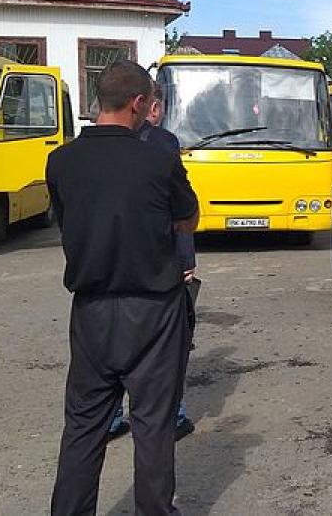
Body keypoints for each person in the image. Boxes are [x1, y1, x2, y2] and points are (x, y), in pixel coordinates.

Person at [47, 60, 199, 515]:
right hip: (153, 309)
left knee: (84, 425)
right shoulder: (158, 158)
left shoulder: (61, 161)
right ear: (138, 103)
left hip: (91, 307)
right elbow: (187, 219)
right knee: (153, 424)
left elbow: (68, 222)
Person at [108, 82, 197, 442]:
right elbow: (181, 211)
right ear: (150, 107)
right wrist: (186, 259)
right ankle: (172, 416)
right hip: (159, 263)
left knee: (112, 344)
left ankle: (112, 417)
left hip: (109, 263)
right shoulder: (163, 143)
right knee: (166, 346)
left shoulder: (97, 145)